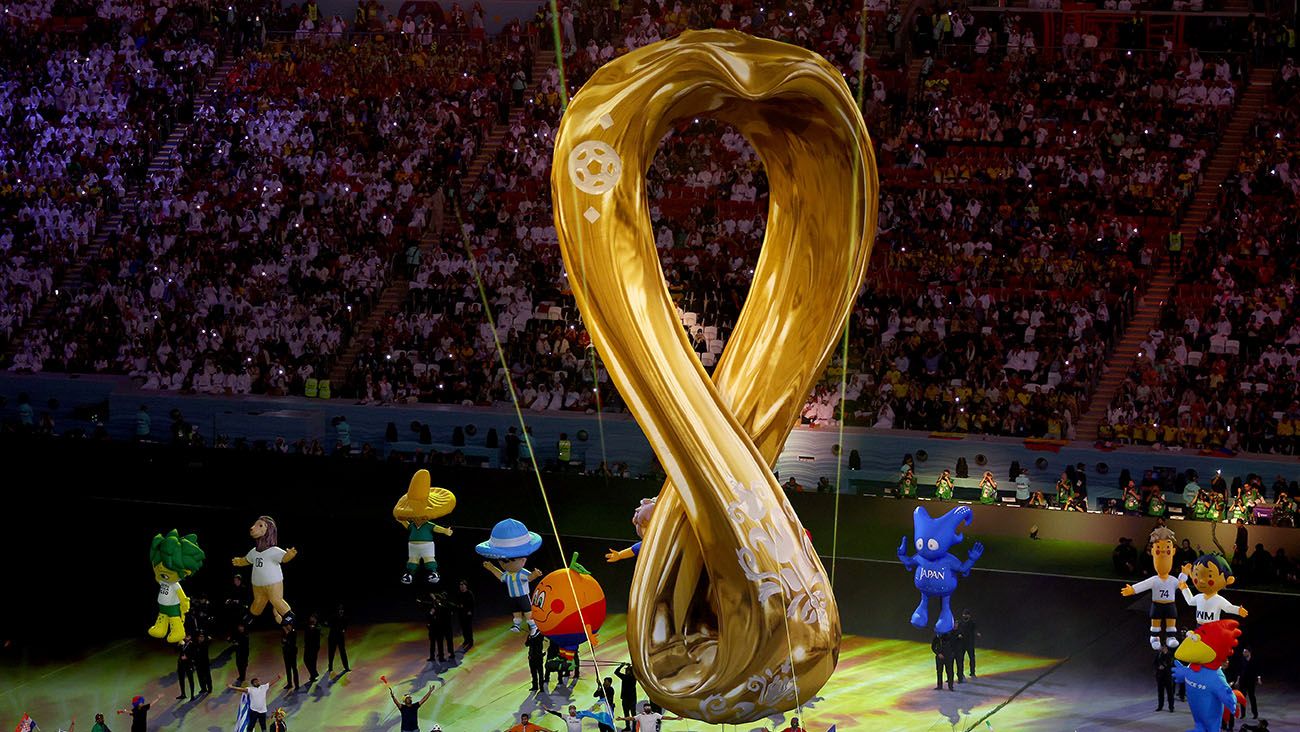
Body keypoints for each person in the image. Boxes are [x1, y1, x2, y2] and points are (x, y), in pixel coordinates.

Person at [1234, 647, 1259, 719]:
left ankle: (1255, 713)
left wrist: (1258, 678)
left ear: (1249, 652)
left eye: (1245, 652)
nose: (1243, 653)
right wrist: (1237, 681)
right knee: (1242, 698)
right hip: (1243, 681)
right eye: (1243, 652)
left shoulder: (1254, 660)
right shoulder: (1242, 660)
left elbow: (1257, 670)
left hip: (1251, 681)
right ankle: (1243, 714)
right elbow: (1239, 671)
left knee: (1252, 697)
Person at [955, 609, 979, 680]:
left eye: (966, 614)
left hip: (970, 643)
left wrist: (977, 633)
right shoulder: (960, 623)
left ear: (969, 615)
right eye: (964, 614)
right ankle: (961, 673)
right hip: (962, 644)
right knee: (960, 659)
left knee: (972, 658)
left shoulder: (972, 623)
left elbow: (975, 629)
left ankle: (972, 672)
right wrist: (958, 634)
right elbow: (957, 631)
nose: (965, 616)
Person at [614, 662, 639, 726]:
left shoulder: (633, 677)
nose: (626, 671)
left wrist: (630, 666)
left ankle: (634, 728)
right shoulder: (625, 677)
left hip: (631, 699)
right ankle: (628, 727)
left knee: (633, 714)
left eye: (627, 670)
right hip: (626, 698)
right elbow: (616, 672)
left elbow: (616, 672)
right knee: (626, 714)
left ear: (630, 671)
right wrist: (621, 666)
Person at [327, 604, 350, 673]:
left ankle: (346, 667)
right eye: (340, 610)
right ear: (337, 611)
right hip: (332, 637)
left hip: (340, 637)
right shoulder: (333, 617)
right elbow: (329, 624)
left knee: (343, 652)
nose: (341, 611)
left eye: (342, 610)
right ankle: (330, 667)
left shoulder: (345, 618)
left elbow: (345, 626)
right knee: (331, 653)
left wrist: (344, 630)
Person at [454, 579, 475, 651]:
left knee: (468, 628)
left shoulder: (469, 593)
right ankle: (466, 640)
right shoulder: (459, 594)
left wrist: (469, 611)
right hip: (461, 614)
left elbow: (472, 604)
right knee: (463, 628)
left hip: (468, 614)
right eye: (460, 585)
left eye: (463, 585)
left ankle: (470, 641)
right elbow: (457, 603)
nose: (461, 586)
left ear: (466, 586)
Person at [1154, 646, 1176, 712]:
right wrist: (1158, 666)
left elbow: (1170, 663)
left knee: (1170, 693)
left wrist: (1163, 666)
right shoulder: (1158, 654)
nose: (1161, 648)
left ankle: (1171, 707)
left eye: (1163, 647)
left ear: (1166, 647)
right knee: (1160, 692)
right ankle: (1160, 706)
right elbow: (1155, 663)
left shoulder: (1169, 654)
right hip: (1160, 676)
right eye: (1161, 647)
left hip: (1167, 676)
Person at [281, 622, 300, 690]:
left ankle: (297, 685)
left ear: (291, 626)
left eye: (288, 626)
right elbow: (282, 641)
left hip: (292, 653)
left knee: (294, 669)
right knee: (288, 669)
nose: (287, 627)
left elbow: (291, 642)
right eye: (286, 626)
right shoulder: (284, 633)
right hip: (286, 653)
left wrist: (286, 637)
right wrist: (285, 640)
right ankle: (289, 684)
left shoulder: (293, 632)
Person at [302, 615, 321, 683]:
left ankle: (313, 676)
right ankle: (314, 674)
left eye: (312, 617)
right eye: (310, 617)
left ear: (315, 619)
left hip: (314, 647)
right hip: (307, 646)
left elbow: (318, 632)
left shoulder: (318, 627)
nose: (311, 618)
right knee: (306, 660)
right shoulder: (307, 626)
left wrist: (313, 628)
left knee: (312, 662)